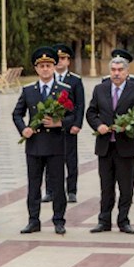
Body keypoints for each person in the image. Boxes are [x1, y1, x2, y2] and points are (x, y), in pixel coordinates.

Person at [13, 47, 74, 235]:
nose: (45, 69)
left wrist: (60, 123)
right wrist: (24, 129)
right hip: (35, 145)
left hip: (56, 144)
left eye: (49, 65)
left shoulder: (64, 90)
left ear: (54, 67)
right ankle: (33, 220)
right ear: (36, 69)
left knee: (57, 185)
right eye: (41, 66)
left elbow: (73, 115)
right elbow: (17, 113)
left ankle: (59, 220)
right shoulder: (29, 90)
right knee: (34, 185)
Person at [85, 52, 134, 234]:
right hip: (105, 146)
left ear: (127, 72)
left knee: (126, 187)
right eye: (113, 70)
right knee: (106, 186)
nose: (116, 73)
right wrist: (99, 125)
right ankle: (104, 221)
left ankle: (123, 220)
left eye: (120, 70)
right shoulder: (100, 89)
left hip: (125, 146)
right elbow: (91, 112)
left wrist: (129, 125)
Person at [41, 43, 85, 204]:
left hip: (68, 125)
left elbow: (80, 104)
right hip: (50, 127)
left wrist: (77, 124)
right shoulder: (48, 80)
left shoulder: (74, 80)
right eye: (57, 59)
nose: (60, 61)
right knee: (48, 157)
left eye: (64, 58)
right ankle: (50, 190)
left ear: (68, 61)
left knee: (70, 158)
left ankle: (71, 190)